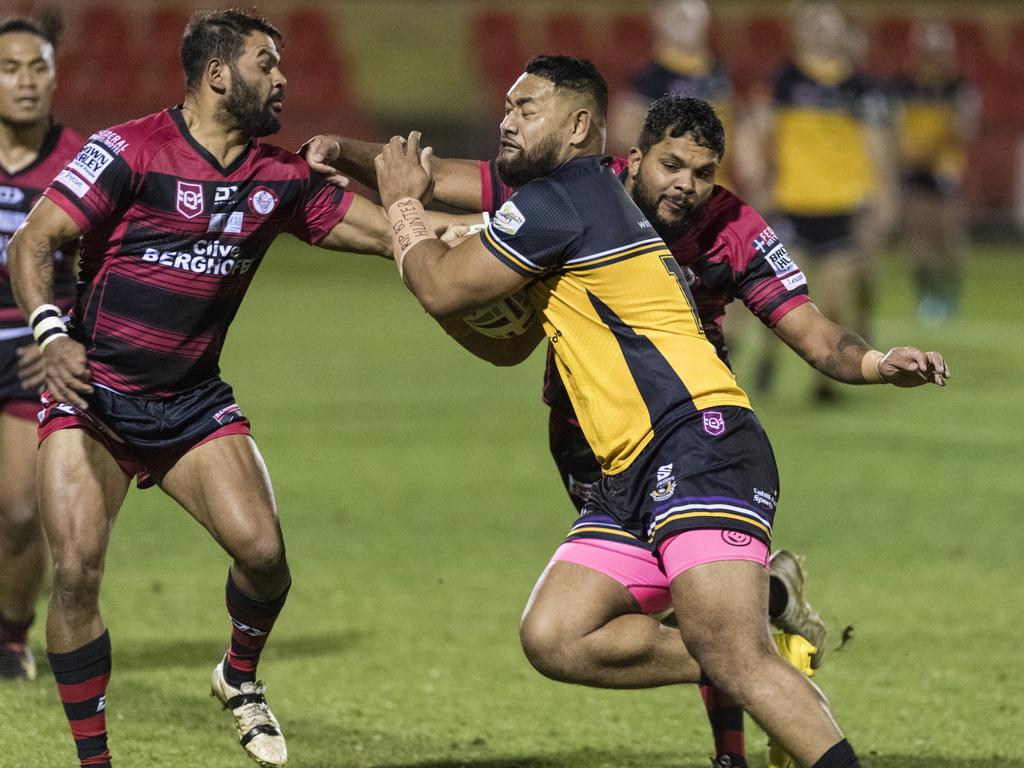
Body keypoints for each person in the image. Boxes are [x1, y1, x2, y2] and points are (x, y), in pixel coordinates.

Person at [375, 54, 947, 768]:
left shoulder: (575, 202)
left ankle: (749, 705)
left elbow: (439, 283)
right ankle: (766, 644)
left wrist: (400, 207)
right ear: (634, 156)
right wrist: (342, 168)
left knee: (731, 648)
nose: (507, 120)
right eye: (510, 109)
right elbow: (489, 304)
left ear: (578, 124)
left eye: (526, 110)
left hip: (697, 439)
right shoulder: (574, 196)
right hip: (621, 460)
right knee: (558, 635)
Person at [6, 9, 406, 768]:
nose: (282, 77)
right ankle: (96, 761)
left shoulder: (279, 176)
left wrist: (507, 231)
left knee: (264, 557)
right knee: (79, 573)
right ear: (218, 74)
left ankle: (238, 677)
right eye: (266, 63)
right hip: (94, 398)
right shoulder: (127, 150)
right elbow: (34, 242)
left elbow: (394, 236)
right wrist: (52, 335)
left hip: (190, 403)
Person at [743, 0, 897, 402]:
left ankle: (825, 384)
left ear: (843, 33)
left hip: (842, 207)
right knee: (782, 297)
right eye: (815, 25)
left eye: (831, 27)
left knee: (836, 301)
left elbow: (876, 145)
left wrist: (882, 196)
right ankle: (768, 357)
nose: (823, 33)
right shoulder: (783, 82)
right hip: (793, 203)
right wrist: (761, 177)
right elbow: (760, 131)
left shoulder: (860, 88)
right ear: (801, 31)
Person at [0, 12, 81, 682]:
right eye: (9, 68)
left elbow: (104, 269)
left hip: (29, 350)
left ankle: (10, 638)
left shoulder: (82, 163)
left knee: (22, 512)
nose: (25, 82)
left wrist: (62, 331)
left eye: (37, 68)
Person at [892, 20, 979, 326]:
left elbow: (965, 128)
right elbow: (896, 127)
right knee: (918, 243)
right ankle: (927, 295)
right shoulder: (906, 87)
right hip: (914, 171)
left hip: (945, 173)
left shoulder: (958, 88)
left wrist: (928, 149)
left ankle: (949, 293)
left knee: (949, 241)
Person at [607, 0, 735, 191]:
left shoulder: (718, 72)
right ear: (660, 20)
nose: (689, 24)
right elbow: (621, 131)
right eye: (680, 17)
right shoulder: (651, 75)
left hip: (717, 188)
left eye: (696, 17)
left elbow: (734, 123)